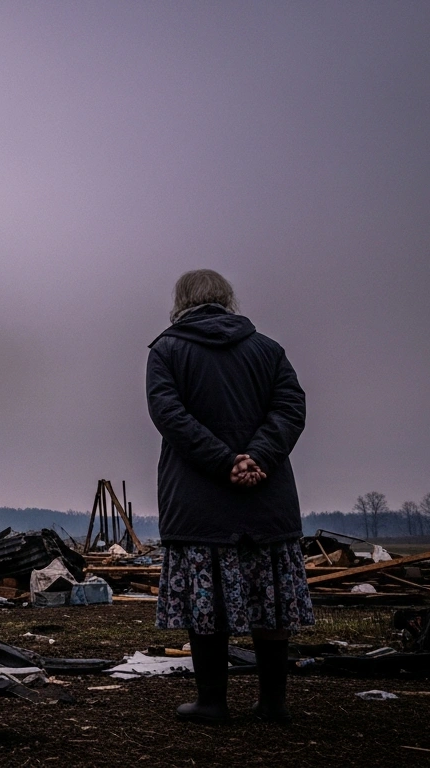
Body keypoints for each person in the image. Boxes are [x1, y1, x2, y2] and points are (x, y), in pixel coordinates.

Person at [145, 269, 311, 724]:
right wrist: (255, 457)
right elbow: (291, 408)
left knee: (206, 601)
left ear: (179, 302)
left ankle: (212, 701)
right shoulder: (268, 350)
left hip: (199, 503)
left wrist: (225, 461)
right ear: (228, 299)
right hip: (267, 498)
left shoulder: (166, 351)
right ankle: (273, 703)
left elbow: (170, 415)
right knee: (271, 599)